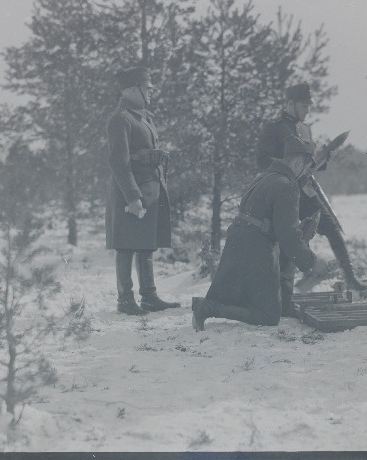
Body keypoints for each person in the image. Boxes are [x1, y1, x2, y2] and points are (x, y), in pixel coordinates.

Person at [192, 135, 328, 331]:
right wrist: (312, 262)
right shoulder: (288, 185)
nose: (305, 173)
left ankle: (209, 306)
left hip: (240, 242)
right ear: (298, 162)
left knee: (253, 299)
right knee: (268, 316)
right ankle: (207, 307)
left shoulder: (264, 177)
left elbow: (271, 222)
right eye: (306, 168)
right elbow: (287, 235)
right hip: (256, 250)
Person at [257, 83, 367, 315]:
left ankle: (350, 278)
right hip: (283, 192)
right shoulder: (273, 128)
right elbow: (262, 161)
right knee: (291, 241)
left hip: (306, 191)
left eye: (310, 105)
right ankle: (283, 297)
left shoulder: (306, 130)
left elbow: (309, 162)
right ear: (289, 103)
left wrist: (322, 158)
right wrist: (288, 169)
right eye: (304, 105)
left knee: (332, 229)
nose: (308, 110)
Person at [106, 66, 180, 315]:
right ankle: (125, 300)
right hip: (131, 192)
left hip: (150, 189)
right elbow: (119, 162)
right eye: (146, 86)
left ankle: (149, 296)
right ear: (129, 90)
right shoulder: (120, 119)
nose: (151, 89)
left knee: (146, 243)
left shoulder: (145, 117)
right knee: (126, 245)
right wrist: (133, 196)